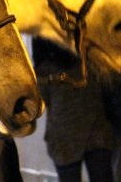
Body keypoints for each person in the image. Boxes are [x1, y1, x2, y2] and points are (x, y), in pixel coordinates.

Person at [32, 37, 115, 182]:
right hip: (94, 132)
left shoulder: (46, 70)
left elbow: (40, 102)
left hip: (65, 137)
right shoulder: (88, 60)